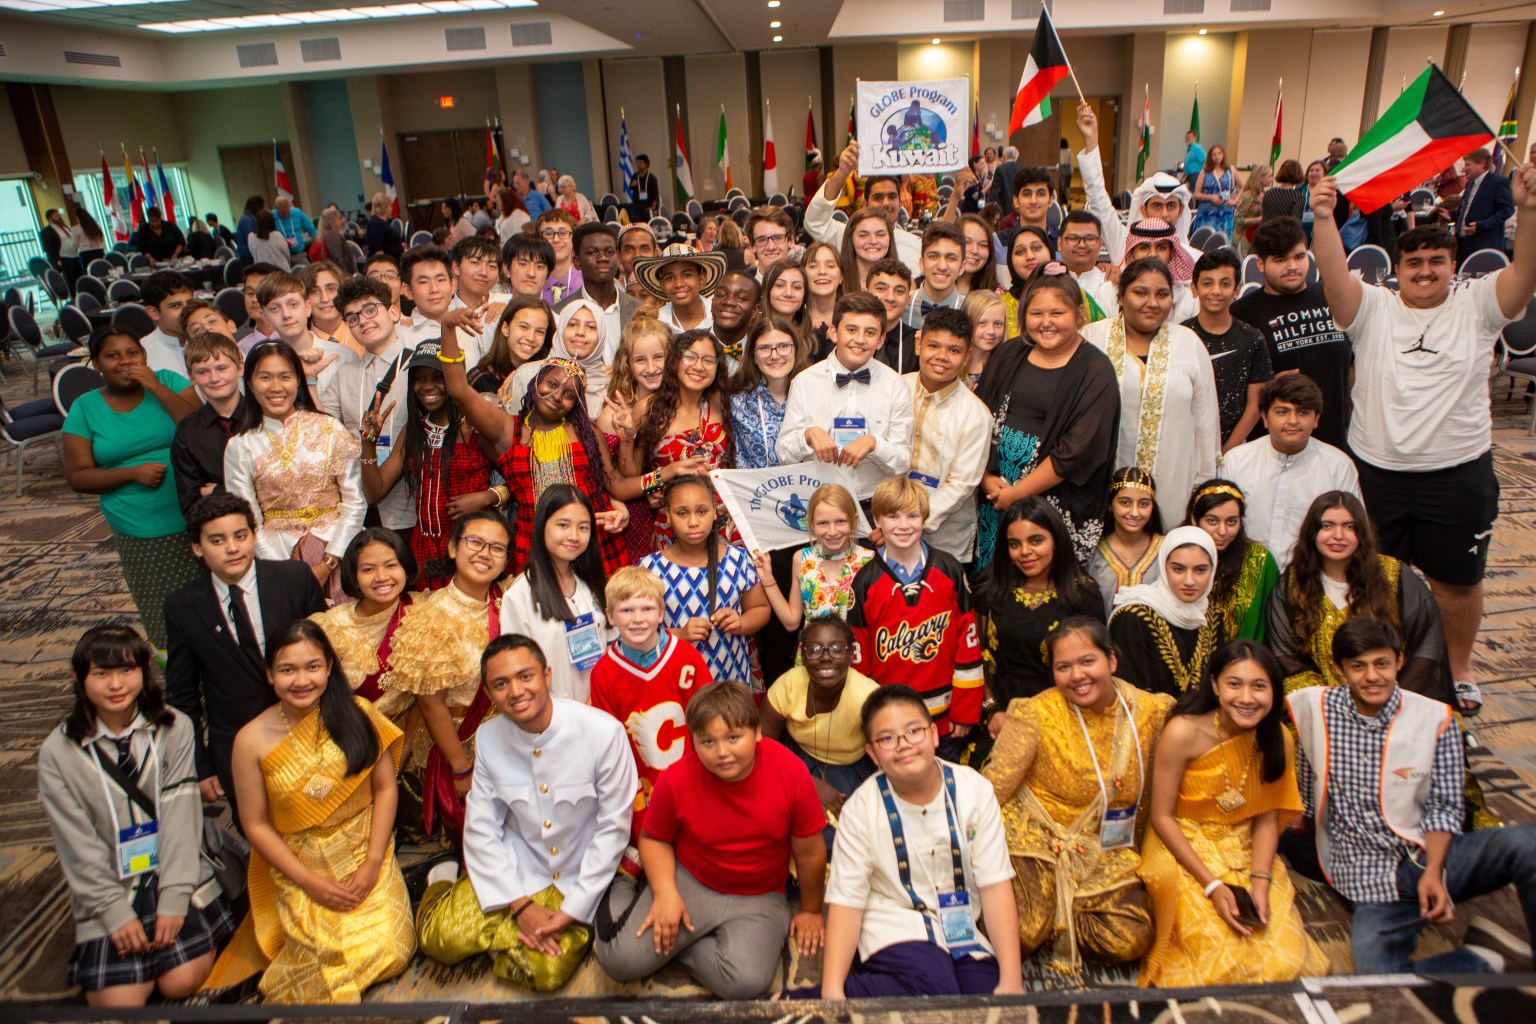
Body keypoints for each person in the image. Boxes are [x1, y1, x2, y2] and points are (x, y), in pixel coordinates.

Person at [1310, 161, 1536, 716]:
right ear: (1400, 270)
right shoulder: (1374, 310)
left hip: (1457, 473)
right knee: (1371, 580)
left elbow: (1525, 275)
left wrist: (1528, 210)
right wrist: (1322, 217)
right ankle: (1376, 661)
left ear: (1452, 266)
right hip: (1379, 473)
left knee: (1458, 583)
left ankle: (1458, 668)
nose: (1425, 271)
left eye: (1437, 261)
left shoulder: (1479, 306)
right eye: (1415, 262)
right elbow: (1335, 280)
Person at [1285, 617, 1536, 977]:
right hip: (1368, 881)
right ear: (1339, 670)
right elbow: (1307, 773)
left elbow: (1445, 806)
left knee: (1526, 843)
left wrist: (1434, 871)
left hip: (1428, 857)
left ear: (1399, 661)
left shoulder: (1435, 719)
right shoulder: (1315, 708)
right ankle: (1484, 958)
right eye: (1359, 666)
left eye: (1382, 663)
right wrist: (1302, 818)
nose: (1372, 676)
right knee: (1381, 978)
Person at [415, 634, 637, 991]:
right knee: (438, 940)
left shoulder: (602, 732)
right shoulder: (488, 738)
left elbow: (613, 829)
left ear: (547, 676)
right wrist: (520, 906)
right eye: (500, 684)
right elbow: (482, 828)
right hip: (518, 870)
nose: (516, 691)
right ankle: (441, 881)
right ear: (488, 694)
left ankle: (499, 941)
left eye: (525, 676)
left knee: (546, 974)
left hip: (576, 878)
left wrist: (572, 910)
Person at [212, 620, 413, 1003]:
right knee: (317, 952)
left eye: (312, 667)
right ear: (270, 674)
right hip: (301, 861)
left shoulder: (358, 713)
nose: (301, 680)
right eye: (288, 670)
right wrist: (309, 881)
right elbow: (255, 825)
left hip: (364, 850)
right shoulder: (250, 740)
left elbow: (386, 788)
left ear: (329, 668)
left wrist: (372, 862)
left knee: (391, 947)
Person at [40, 624, 237, 1008]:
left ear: (145, 670)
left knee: (180, 982)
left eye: (127, 671)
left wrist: (173, 902)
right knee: (119, 1004)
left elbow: (182, 816)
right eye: (101, 673)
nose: (116, 685)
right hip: (115, 881)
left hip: (176, 871)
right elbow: (75, 844)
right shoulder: (59, 751)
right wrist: (115, 914)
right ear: (79, 677)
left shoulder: (173, 727)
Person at [593, 680, 827, 999]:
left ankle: (678, 945)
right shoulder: (677, 778)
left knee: (747, 982)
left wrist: (811, 910)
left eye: (733, 737)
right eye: (708, 741)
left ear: (757, 732)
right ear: (694, 741)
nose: (722, 752)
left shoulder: (791, 772)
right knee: (619, 959)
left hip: (759, 895)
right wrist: (665, 894)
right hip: (691, 880)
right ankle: (624, 883)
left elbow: (810, 851)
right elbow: (654, 839)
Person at [983, 617, 1173, 974]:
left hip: (1104, 847)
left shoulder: (1151, 713)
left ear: (1112, 660)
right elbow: (993, 788)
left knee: (1130, 938)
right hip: (1033, 837)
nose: (1077, 676)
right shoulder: (1036, 712)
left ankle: (1060, 915)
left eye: (1088, 661)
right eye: (1063, 667)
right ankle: (1045, 914)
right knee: (1020, 935)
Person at [811, 684, 1023, 999]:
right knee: (933, 983)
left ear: (935, 735)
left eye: (914, 731)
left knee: (987, 995)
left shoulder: (974, 791)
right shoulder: (860, 809)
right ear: (873, 753)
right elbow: (847, 901)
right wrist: (832, 993)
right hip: (892, 923)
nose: (904, 744)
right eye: (887, 738)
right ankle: (810, 1000)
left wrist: (1012, 980)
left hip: (962, 930)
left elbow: (994, 884)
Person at [1138, 640, 1326, 987]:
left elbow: (1267, 817)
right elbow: (1161, 817)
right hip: (1182, 844)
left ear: (1274, 691)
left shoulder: (1278, 738)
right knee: (1219, 960)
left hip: (1245, 845)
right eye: (1234, 684)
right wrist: (1211, 885)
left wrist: (1260, 880)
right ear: (1215, 686)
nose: (1246, 698)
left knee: (1285, 960)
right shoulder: (1183, 732)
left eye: (1259, 686)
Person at [165, 494, 326, 811]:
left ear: (254, 535)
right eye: (217, 540)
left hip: (310, 736)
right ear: (197, 547)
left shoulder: (295, 579)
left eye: (241, 536)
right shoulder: (183, 606)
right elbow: (182, 694)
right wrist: (200, 763)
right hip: (238, 749)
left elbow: (329, 659)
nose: (233, 548)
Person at [438, 320, 629, 575]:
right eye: (551, 384)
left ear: (576, 404)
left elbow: (614, 484)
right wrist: (448, 327)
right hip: (534, 547)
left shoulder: (587, 432)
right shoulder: (507, 430)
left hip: (592, 544)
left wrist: (666, 474)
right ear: (536, 381)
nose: (557, 395)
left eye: (569, 395)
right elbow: (459, 389)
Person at [63, 328, 199, 651]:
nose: (124, 361)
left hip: (194, 511)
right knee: (162, 608)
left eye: (132, 353)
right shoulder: (85, 408)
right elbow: (77, 476)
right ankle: (180, 681)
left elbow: (197, 426)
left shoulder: (168, 381)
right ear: (96, 364)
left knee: (211, 600)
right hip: (139, 524)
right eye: (112, 356)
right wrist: (131, 474)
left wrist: (154, 386)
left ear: (144, 357)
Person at [977, 270, 1121, 569]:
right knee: (993, 583)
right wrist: (986, 478)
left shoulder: (1095, 369)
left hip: (1054, 501)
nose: (1046, 322)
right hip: (993, 494)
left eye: (1058, 312)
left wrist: (1017, 494)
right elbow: (976, 418)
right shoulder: (1008, 353)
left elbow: (1079, 450)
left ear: (1079, 314)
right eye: (1036, 313)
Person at [383, 510, 512, 840]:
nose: (485, 553)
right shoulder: (429, 615)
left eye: (497, 548)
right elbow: (431, 705)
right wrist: (461, 768)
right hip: (456, 745)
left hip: (508, 741)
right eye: (475, 542)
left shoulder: (512, 601)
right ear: (453, 548)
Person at [1265, 491, 1456, 707]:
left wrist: (1389, 700)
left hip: (1393, 701)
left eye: (1349, 527)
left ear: (1362, 533)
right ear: (1312, 532)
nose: (1338, 535)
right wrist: (1331, 704)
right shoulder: (1293, 583)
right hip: (1321, 705)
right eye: (1327, 526)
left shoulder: (1395, 577)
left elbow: (1426, 643)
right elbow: (1285, 654)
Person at [849, 476, 983, 754]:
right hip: (891, 719)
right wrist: (871, 715)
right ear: (877, 520)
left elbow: (968, 645)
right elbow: (859, 660)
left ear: (924, 518)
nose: (903, 525)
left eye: (912, 516)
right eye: (893, 516)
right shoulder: (864, 581)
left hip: (946, 720)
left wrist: (966, 710)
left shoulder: (949, 570)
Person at [223, 342, 364, 603]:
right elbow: (248, 520)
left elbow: (355, 502)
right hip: (277, 557)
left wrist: (328, 563)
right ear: (251, 384)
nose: (276, 387)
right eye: (265, 377)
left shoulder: (330, 428)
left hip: (339, 551)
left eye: (285, 376)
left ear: (298, 381)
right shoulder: (240, 446)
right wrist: (286, 573)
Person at [1084, 258, 1220, 528]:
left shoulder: (1189, 343)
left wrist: (1203, 488)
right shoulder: (1092, 338)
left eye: (1162, 294)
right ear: (1120, 295)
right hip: (1101, 485)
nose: (1152, 303)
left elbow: (1206, 424)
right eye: (1140, 292)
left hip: (1174, 486)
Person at [589, 565, 712, 844]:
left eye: (646, 609)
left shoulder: (685, 657)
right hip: (639, 785)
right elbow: (608, 742)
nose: (638, 619)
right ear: (610, 616)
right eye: (627, 610)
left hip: (690, 776)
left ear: (660, 613)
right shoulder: (604, 672)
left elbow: (709, 719)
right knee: (650, 845)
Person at [359, 341, 497, 589]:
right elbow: (374, 492)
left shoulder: (474, 426)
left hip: (472, 545)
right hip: (425, 548)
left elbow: (518, 477)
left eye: (437, 377)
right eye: (419, 379)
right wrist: (369, 443)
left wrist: (487, 497)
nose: (427, 386)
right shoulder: (414, 431)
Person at [976, 499, 1106, 731]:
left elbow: (1096, 666)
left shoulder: (1083, 594)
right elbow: (975, 657)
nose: (1025, 552)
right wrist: (992, 709)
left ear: (1056, 540)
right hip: (1000, 719)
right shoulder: (991, 589)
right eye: (1015, 544)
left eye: (1036, 540)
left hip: (1067, 721)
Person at [778, 293, 914, 505]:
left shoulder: (895, 386)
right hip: (816, 503)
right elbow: (783, 453)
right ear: (833, 332)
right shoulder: (804, 382)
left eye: (870, 333)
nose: (860, 339)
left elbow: (903, 462)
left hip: (873, 505)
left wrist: (874, 444)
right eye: (851, 330)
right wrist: (809, 435)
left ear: (880, 340)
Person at [1230, 217, 1352, 450]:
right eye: (1280, 260)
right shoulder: (1241, 314)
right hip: (1275, 449)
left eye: (1299, 256)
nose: (1292, 266)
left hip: (1339, 443)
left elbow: (1352, 366)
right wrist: (1264, 386)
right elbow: (1231, 389)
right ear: (1260, 264)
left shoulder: (1332, 297)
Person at [640, 475, 770, 689]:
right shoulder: (650, 569)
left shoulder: (737, 560)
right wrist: (679, 635)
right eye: (682, 513)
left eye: (702, 511)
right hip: (673, 685)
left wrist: (742, 623)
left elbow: (760, 608)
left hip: (729, 682)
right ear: (668, 516)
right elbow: (637, 630)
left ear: (714, 512)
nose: (693, 522)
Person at [1220, 374, 1359, 567]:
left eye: (1303, 413)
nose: (1293, 420)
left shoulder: (1338, 467)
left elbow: (1352, 532)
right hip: (1244, 576)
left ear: (1316, 419)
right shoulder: (1235, 461)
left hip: (1308, 578)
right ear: (1265, 417)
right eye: (1282, 412)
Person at [761, 615, 879, 840]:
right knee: (779, 819)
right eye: (815, 649)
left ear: (850, 655)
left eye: (836, 649)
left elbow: (889, 756)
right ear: (803, 656)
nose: (825, 657)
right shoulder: (788, 685)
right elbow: (761, 746)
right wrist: (805, 780)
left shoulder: (867, 697)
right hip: (793, 758)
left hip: (850, 768)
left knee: (835, 833)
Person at [621, 328, 738, 550]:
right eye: (690, 357)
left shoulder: (720, 402)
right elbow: (630, 474)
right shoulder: (649, 409)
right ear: (675, 360)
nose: (698, 366)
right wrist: (628, 438)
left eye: (708, 360)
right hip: (675, 521)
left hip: (724, 519)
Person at [326, 276, 420, 542]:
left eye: (369, 310)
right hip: (359, 508)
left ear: (392, 311)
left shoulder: (419, 365)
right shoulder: (344, 375)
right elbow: (325, 430)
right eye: (352, 318)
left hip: (412, 506)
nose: (363, 321)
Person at [500, 485, 614, 703]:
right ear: (542, 526)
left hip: (600, 710)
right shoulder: (520, 596)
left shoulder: (593, 584)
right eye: (563, 525)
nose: (574, 536)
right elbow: (517, 671)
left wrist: (597, 699)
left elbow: (611, 645)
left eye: (583, 527)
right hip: (550, 719)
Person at [901, 307, 991, 563]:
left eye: (954, 350)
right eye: (934, 346)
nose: (941, 357)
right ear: (919, 344)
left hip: (944, 540)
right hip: (885, 526)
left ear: (967, 357)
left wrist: (910, 524)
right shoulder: (896, 388)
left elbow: (961, 485)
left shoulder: (976, 415)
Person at [308, 528, 418, 725]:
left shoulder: (423, 612)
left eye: (391, 565)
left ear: (405, 568)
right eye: (368, 569)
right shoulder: (331, 627)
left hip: (413, 733)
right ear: (354, 576)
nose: (381, 576)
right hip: (356, 736)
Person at [1076, 103, 1196, 260]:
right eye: (1157, 206)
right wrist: (1091, 138)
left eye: (1171, 206)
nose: (1165, 214)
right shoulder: (1124, 243)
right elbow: (1097, 197)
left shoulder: (1193, 259)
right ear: (1144, 210)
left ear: (1181, 211)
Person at [1109, 526, 1220, 697]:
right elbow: (1130, 694)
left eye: (1200, 570)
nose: (1189, 581)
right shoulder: (1132, 617)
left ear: (1212, 571)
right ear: (1163, 567)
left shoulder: (1210, 615)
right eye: (1178, 569)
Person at [1183, 248, 1273, 452]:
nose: (1215, 291)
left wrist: (1226, 451)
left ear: (1237, 289)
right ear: (1194, 288)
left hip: (1236, 448)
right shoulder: (1180, 335)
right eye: (1207, 283)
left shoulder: (1252, 339)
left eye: (1225, 283)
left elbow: (1255, 404)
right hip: (1186, 445)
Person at [756, 482, 872, 633]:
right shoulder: (802, 559)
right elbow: (791, 622)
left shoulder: (869, 560)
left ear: (854, 520)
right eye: (823, 523)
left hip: (856, 654)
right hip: (813, 654)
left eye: (840, 521)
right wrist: (768, 580)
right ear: (811, 524)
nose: (832, 531)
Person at [1186, 480, 1278, 644]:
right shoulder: (1177, 554)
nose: (1222, 531)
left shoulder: (1260, 561)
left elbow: (1272, 628)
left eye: (1231, 522)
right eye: (1212, 521)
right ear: (1195, 519)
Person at [807, 143, 922, 270]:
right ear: (865, 205)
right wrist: (843, 171)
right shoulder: (846, 237)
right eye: (878, 197)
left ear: (900, 204)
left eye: (892, 196)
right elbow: (816, 222)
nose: (886, 203)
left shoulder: (917, 246)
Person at [170, 332, 248, 516]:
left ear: (239, 368)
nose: (214, 378)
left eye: (222, 368)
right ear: (191, 376)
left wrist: (219, 491)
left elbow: (278, 488)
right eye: (203, 372)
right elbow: (192, 503)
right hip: (219, 531)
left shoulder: (265, 417)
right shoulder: (187, 432)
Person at [728, 316, 804, 469]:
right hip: (753, 491)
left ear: (796, 350)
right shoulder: (735, 401)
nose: (775, 355)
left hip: (808, 489)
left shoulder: (813, 395)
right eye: (764, 348)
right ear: (754, 356)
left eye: (783, 346)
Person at [1087, 466, 1165, 613]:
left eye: (1143, 504)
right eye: (1125, 502)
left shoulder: (1166, 550)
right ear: (1110, 505)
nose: (1135, 512)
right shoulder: (1092, 551)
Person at [559, 223, 640, 360]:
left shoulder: (640, 311)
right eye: (593, 252)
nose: (603, 258)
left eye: (609, 252)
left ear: (618, 257)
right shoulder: (560, 313)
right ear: (577, 261)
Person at [469, 296, 553, 396]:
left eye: (539, 331)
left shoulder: (548, 379)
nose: (531, 338)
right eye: (524, 327)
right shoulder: (480, 379)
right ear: (505, 328)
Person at [633, 243, 724, 334]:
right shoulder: (656, 324)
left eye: (686, 275)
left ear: (701, 280)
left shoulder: (720, 315)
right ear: (662, 285)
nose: (678, 284)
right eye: (670, 278)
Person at [898, 222, 966, 329]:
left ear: (962, 267)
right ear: (921, 264)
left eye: (951, 258)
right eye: (933, 256)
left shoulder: (971, 311)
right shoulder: (900, 306)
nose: (942, 266)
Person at [1455, 148, 1516, 264]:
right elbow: (1469, 209)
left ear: (1482, 163)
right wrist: (1452, 214)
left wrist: (1481, 225)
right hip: (1463, 245)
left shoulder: (1498, 182)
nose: (1463, 169)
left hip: (1483, 245)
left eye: (1468, 165)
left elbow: (1508, 210)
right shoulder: (1470, 183)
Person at [138, 270, 197, 377]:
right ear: (154, 313)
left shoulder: (210, 340)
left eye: (190, 303)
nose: (188, 311)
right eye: (176, 306)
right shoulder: (142, 355)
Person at [999, 226, 1052, 339]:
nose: (1030, 256)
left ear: (1050, 251)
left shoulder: (1073, 297)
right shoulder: (1000, 306)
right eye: (1020, 252)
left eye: (1036, 248)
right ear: (1010, 260)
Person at [710, 269, 761, 362]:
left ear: (755, 310)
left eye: (741, 298)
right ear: (712, 302)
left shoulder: (762, 353)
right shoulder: (687, 345)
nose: (729, 302)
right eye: (721, 295)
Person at [961, 288, 1006, 389]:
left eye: (998, 324)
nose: (991, 331)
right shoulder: (952, 363)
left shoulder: (1005, 368)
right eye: (981, 323)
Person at [538, 210, 583, 306]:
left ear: (573, 238)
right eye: (549, 233)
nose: (556, 239)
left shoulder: (587, 281)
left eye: (563, 233)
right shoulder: (531, 280)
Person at [1190, 146, 1236, 239]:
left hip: (1225, 211)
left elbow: (1245, 186)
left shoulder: (1230, 170)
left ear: (1223, 155)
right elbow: (1196, 194)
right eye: (1214, 154)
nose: (1217, 156)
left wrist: (1235, 199)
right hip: (1207, 212)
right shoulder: (1204, 172)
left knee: (1223, 240)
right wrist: (1211, 197)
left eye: (1219, 153)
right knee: (1206, 239)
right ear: (1210, 157)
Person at [236, 262, 282, 349]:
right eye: (250, 293)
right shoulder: (242, 349)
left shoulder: (298, 341)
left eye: (261, 292)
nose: (254, 299)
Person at [745, 206, 796, 279]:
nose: (771, 247)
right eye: (762, 240)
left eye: (778, 238)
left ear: (791, 241)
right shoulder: (746, 290)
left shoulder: (806, 287)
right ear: (752, 246)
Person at [1233, 166, 1271, 256]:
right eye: (1269, 176)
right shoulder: (1247, 196)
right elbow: (1237, 220)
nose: (1272, 179)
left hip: (1256, 237)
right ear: (1260, 177)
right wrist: (1258, 219)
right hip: (1243, 239)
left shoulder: (1266, 194)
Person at [364, 193, 403, 259]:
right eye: (390, 205)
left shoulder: (381, 222)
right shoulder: (376, 223)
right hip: (386, 263)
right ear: (384, 207)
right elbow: (378, 250)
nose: (392, 208)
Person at [628, 153, 660, 222]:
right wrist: (632, 185)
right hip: (636, 207)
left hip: (647, 207)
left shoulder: (652, 178)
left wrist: (652, 207)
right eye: (637, 163)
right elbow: (630, 187)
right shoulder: (635, 176)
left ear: (646, 165)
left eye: (641, 163)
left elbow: (656, 195)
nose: (638, 165)